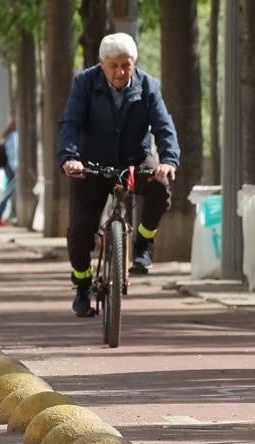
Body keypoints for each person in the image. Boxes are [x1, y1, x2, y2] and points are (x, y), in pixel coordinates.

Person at [59, 32, 180, 317]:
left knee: (160, 186)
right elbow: (71, 123)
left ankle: (142, 245)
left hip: (134, 162)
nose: (120, 72)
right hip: (91, 166)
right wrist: (69, 158)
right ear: (101, 64)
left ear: (134, 63)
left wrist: (168, 160)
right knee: (79, 232)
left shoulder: (148, 85)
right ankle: (82, 285)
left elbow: (164, 126)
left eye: (126, 65)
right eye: (113, 65)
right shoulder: (84, 84)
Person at [0, 119, 19, 226]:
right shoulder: (14, 136)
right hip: (12, 168)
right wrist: (16, 170)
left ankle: (2, 216)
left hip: (9, 167)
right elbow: (13, 155)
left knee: (9, 192)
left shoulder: (9, 135)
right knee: (8, 192)